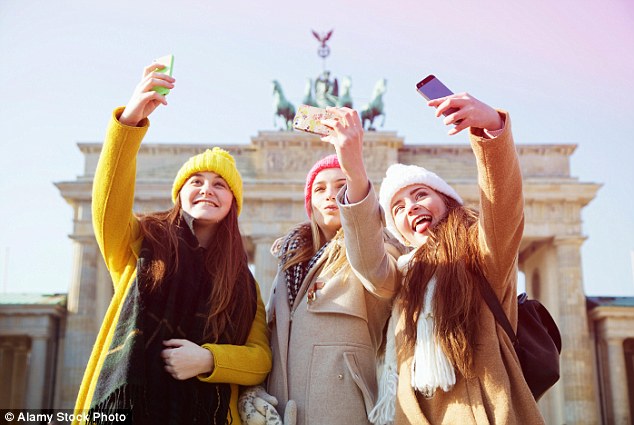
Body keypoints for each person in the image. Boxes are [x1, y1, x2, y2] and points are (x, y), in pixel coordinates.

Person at [74, 62, 272, 424]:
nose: (206, 189)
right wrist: (130, 122)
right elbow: (108, 205)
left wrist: (209, 359)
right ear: (179, 194)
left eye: (219, 184)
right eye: (195, 181)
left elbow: (260, 358)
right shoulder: (140, 244)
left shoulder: (245, 286)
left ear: (233, 203)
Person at [345, 92, 544, 424]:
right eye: (398, 208)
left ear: (448, 202)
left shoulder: (480, 255)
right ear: (401, 233)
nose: (411, 207)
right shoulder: (402, 277)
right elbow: (367, 261)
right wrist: (354, 175)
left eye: (421, 194)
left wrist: (491, 129)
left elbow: (503, 207)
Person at [239, 107, 402, 425]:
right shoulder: (288, 264)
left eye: (340, 185)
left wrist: (356, 173)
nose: (331, 195)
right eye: (320, 189)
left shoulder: (380, 248)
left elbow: (375, 272)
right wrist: (254, 389)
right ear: (309, 203)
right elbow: (270, 339)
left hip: (344, 411)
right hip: (282, 411)